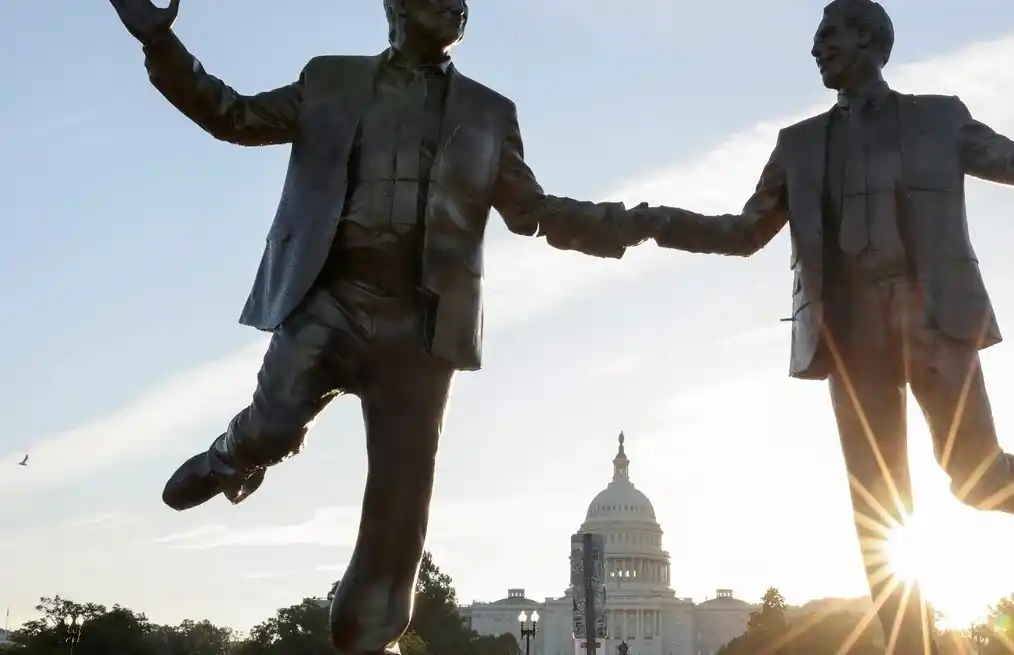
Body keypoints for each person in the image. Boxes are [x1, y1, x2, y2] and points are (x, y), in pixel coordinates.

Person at [106, 0, 654, 652]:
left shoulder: (487, 112)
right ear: (395, 5)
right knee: (277, 423)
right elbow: (233, 115)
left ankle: (370, 634)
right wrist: (160, 42)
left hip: (418, 328)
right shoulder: (330, 81)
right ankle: (235, 455)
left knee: (400, 499)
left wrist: (619, 224)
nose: (457, 6)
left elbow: (529, 209)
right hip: (331, 298)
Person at [631, 1, 1014, 652]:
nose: (816, 48)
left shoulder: (938, 119)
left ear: (871, 43)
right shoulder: (797, 146)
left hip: (932, 315)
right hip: (850, 336)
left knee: (974, 476)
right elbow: (743, 233)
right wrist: (654, 223)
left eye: (830, 35)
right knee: (876, 509)